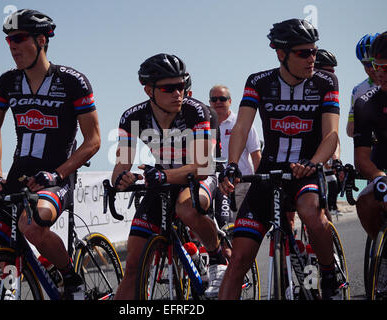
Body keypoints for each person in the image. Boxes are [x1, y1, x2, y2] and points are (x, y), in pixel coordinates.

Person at [0, 9, 101, 299]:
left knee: (31, 227)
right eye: (8, 41)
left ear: (41, 40)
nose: (12, 45)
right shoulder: (8, 81)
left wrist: (58, 173)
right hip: (18, 176)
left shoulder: (72, 81)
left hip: (56, 177)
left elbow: (93, 140)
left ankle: (72, 278)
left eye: (19, 38)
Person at [218, 19, 340, 300]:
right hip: (269, 173)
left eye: (313, 51)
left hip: (306, 169)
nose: (312, 58)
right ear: (280, 54)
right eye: (303, 53)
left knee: (311, 214)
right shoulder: (259, 82)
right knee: (238, 260)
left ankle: (328, 273)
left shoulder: (325, 82)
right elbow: (241, 128)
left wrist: (314, 163)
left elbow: (331, 135)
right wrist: (232, 165)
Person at [113, 53, 226, 299]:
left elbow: (202, 167)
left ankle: (218, 257)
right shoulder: (133, 117)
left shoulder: (196, 111)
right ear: (148, 90)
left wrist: (163, 176)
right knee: (133, 264)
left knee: (186, 208)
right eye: (169, 88)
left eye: (181, 85)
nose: (178, 93)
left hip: (197, 177)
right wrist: (124, 179)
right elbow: (120, 168)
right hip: (164, 181)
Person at [353, 32, 387, 242]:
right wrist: (379, 177)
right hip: (382, 164)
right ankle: (382, 256)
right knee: (365, 202)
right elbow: (361, 158)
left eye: (386, 68)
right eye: (376, 66)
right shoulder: (365, 103)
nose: (379, 73)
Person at [209, 84, 261, 217]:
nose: (218, 102)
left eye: (222, 98)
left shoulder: (241, 122)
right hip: (213, 186)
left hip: (241, 184)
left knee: (237, 228)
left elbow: (256, 155)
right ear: (209, 103)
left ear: (230, 101)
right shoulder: (205, 125)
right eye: (214, 100)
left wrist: (260, 185)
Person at [314, 49, 341, 217]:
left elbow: (334, 134)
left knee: (321, 214)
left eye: (333, 71)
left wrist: (336, 159)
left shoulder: (330, 91)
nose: (332, 76)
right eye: (327, 71)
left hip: (322, 151)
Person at [346, 33, 380, 138]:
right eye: (366, 64)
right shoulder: (359, 90)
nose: (370, 68)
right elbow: (350, 130)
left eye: (373, 63)